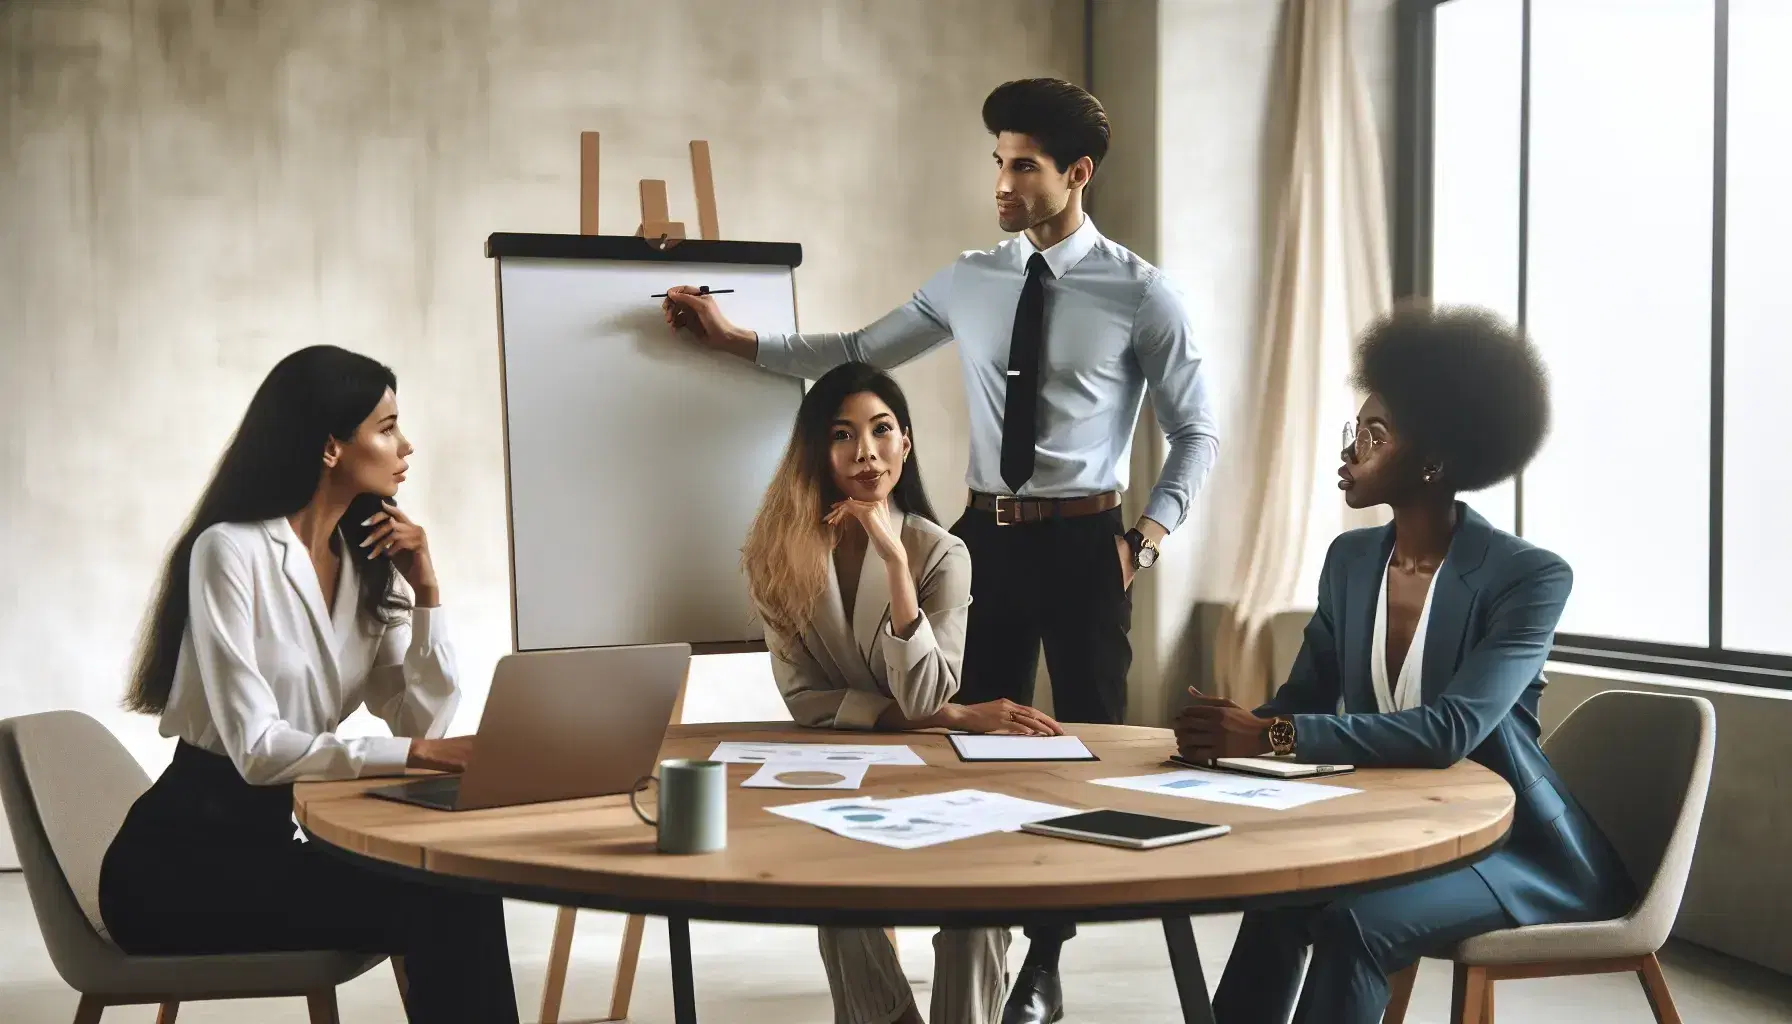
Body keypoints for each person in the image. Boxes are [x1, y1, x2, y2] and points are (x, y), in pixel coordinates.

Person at [666, 78, 1220, 1021]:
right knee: (964, 740)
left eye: (1024, 166)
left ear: (1076, 174)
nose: (1002, 183)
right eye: (997, 162)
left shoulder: (1141, 292)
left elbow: (1197, 431)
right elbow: (853, 348)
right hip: (985, 540)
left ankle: (1044, 957)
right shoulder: (972, 277)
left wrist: (1146, 542)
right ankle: (976, 933)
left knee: (1092, 757)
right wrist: (736, 340)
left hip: (1092, 545)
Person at [1176, 306, 1636, 1024]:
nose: (1349, 452)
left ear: (1435, 460)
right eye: (1353, 432)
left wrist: (1269, 737)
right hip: (1394, 829)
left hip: (1513, 847)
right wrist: (1215, 737)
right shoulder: (1351, 562)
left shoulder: (1529, 577)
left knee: (1354, 923)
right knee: (1279, 898)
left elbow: (1450, 730)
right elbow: (1301, 699)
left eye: (1373, 436)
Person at [98, 345, 520, 1023]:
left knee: (457, 882)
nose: (405, 446)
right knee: (446, 896)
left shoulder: (366, 565)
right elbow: (259, 751)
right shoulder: (229, 551)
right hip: (175, 871)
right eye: (386, 428)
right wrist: (418, 758)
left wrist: (430, 595)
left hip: (268, 851)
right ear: (330, 447)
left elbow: (421, 725)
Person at [743, 362, 1061, 1024]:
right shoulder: (778, 554)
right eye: (843, 435)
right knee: (835, 895)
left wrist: (893, 562)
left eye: (881, 431)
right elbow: (804, 699)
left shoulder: (941, 554)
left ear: (905, 445)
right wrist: (955, 714)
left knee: (979, 912)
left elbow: (919, 693)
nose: (865, 452)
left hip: (939, 769)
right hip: (846, 771)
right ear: (819, 452)